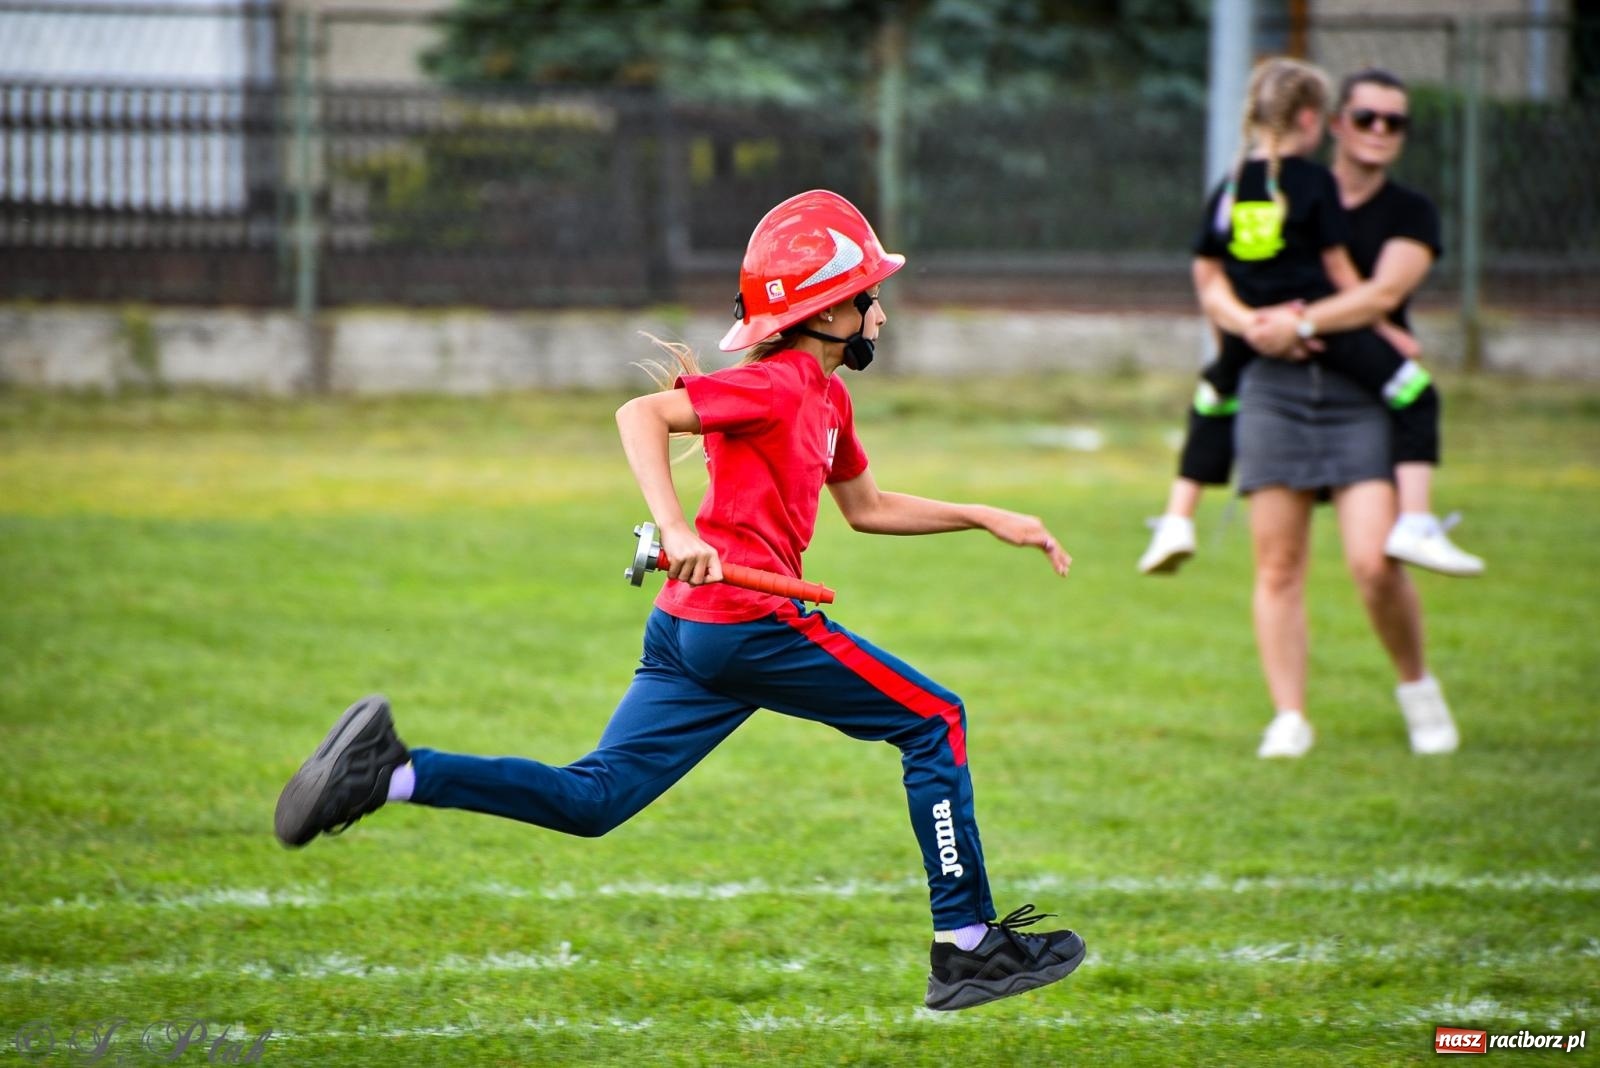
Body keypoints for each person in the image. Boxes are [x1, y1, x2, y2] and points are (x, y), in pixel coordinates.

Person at [273, 190, 1087, 1011]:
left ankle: (393, 774)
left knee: (593, 801)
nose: (880, 312)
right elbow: (641, 414)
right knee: (933, 720)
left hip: (692, 633)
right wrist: (675, 526)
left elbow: (866, 508)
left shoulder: (828, 400)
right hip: (746, 626)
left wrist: (983, 517)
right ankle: (969, 944)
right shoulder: (775, 385)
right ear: (833, 310)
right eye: (869, 296)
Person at [1171, 58, 1461, 757]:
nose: (1381, 131)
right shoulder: (1280, 191)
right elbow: (1215, 273)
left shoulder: (1406, 212)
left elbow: (1377, 297)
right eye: (1367, 117)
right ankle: (1290, 716)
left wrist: (1293, 323)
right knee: (1278, 565)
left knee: (1372, 562)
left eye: (1396, 121)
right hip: (1275, 392)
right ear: (1329, 123)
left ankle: (1417, 686)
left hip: (1357, 397)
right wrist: (1244, 325)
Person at [1138, 68, 1485, 580]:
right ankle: (1416, 521)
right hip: (1316, 322)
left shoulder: (1233, 186)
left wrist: (1245, 323)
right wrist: (1382, 327)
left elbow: (1209, 273)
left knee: (1212, 399)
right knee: (1414, 391)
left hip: (1249, 326)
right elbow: (1338, 268)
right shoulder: (1315, 182)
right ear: (1312, 119)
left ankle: (1176, 519)